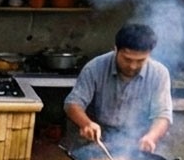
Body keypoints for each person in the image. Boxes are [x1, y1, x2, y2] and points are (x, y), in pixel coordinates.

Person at [64, 23, 173, 153]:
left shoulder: (159, 73)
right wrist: (87, 124)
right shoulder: (94, 67)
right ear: (115, 49)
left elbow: (163, 114)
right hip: (99, 136)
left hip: (138, 138)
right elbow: (72, 103)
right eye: (127, 59)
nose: (133, 66)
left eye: (140, 60)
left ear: (149, 54)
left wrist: (151, 137)